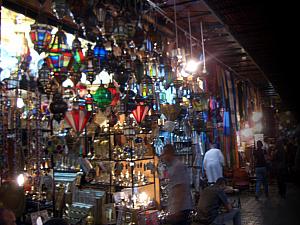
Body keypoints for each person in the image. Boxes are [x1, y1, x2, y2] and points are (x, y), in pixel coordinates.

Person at [160, 144, 193, 225]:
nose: (162, 157)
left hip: (181, 209)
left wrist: (176, 210)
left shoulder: (177, 167)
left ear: (169, 153)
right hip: (178, 208)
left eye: (164, 154)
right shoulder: (172, 166)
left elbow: (180, 188)